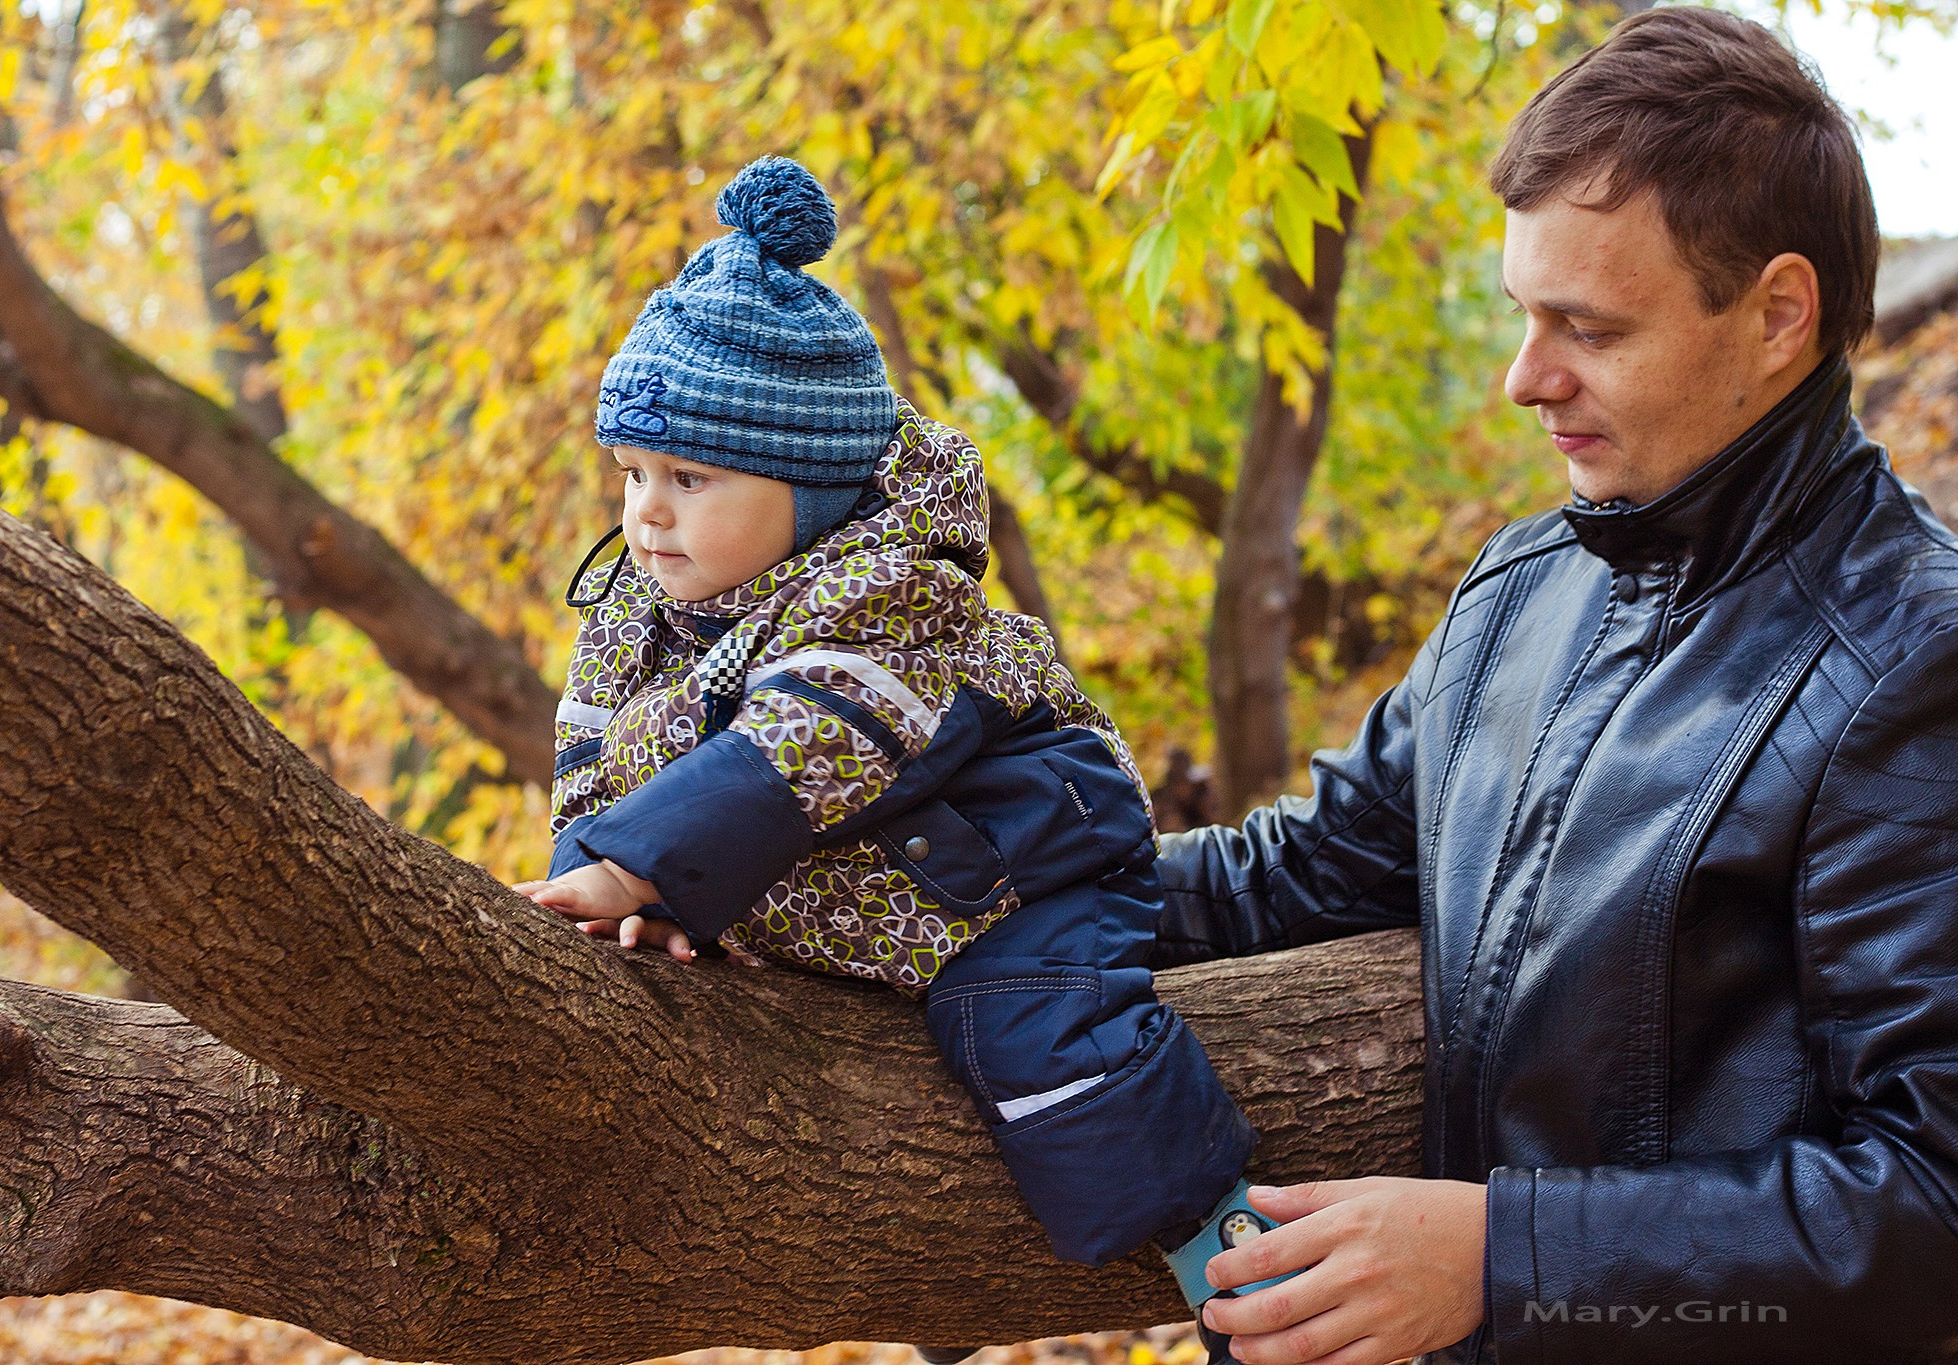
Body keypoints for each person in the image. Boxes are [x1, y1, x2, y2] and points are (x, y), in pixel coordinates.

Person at [1152, 10, 1958, 1364]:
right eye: (1527, 314)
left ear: (1777, 316)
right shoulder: (1519, 593)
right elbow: (1282, 877)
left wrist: (1496, 1257)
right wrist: (905, 885)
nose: (1525, 377)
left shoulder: (1914, 660)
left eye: (1585, 326)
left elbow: (1936, 1205)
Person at [511, 156, 1270, 1332]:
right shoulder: (648, 611)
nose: (646, 511)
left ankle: (1240, 1270)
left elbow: (809, 741)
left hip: (1010, 880)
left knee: (1036, 1040)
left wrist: (641, 863)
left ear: (812, 493)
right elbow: (592, 755)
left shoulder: (890, 593)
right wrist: (601, 886)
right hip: (853, 897)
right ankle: (955, 1301)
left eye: (691, 477)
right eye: (633, 473)